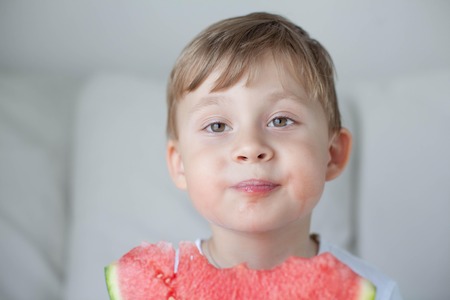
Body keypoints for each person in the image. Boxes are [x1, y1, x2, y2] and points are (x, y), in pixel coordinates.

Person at [164, 12, 401, 299]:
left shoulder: (377, 293)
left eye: (281, 121)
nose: (250, 147)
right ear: (179, 165)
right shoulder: (161, 289)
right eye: (217, 125)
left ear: (333, 154)